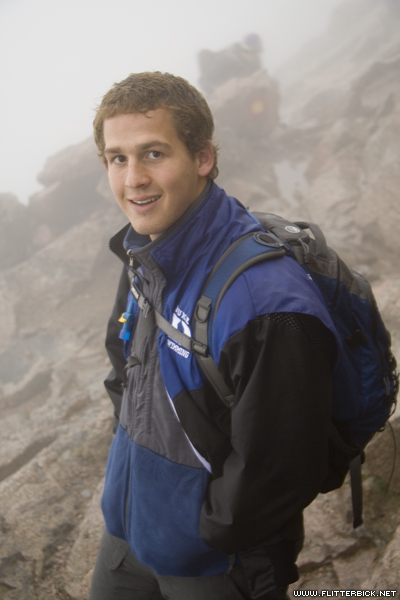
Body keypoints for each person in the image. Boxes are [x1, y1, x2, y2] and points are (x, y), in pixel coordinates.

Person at [89, 71, 336, 600]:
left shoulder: (264, 300)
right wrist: (131, 488)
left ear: (202, 158)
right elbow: (123, 368)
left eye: (154, 153)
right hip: (128, 534)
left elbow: (280, 469)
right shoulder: (144, 250)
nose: (133, 179)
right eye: (117, 158)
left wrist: (204, 531)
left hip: (213, 565)